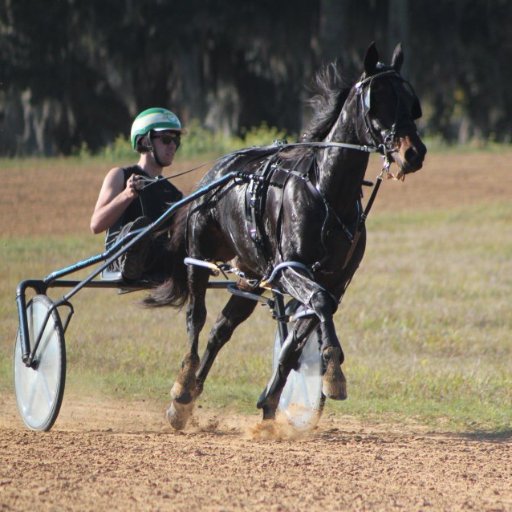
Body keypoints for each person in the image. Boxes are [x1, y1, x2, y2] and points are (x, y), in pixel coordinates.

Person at [90, 107, 184, 282]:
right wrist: (127, 194)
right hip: (119, 257)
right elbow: (96, 225)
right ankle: (134, 260)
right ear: (145, 141)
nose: (172, 146)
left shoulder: (173, 193)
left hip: (158, 260)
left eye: (176, 140)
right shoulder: (120, 175)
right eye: (166, 139)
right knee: (141, 228)